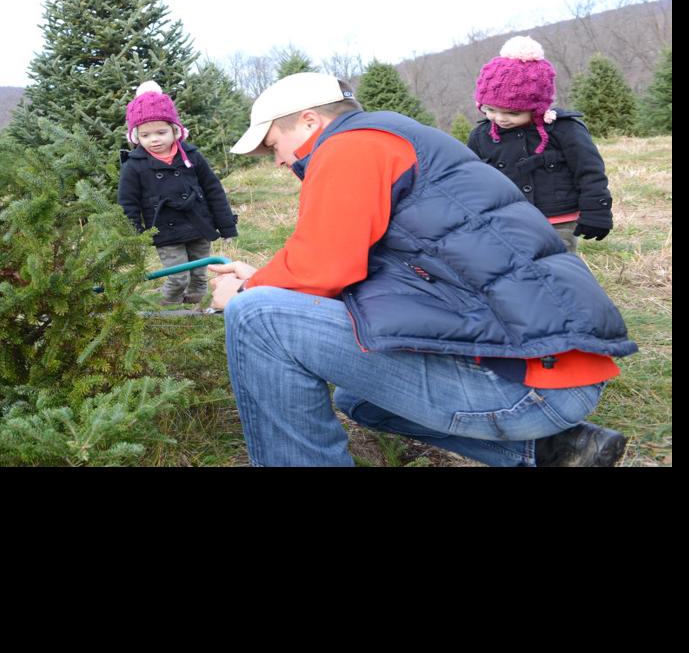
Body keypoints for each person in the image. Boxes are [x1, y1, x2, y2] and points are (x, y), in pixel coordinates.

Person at [208, 72, 637, 467]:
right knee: (359, 400)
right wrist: (264, 280)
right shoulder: (391, 138)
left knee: (257, 317)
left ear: (308, 121)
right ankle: (553, 450)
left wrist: (247, 292)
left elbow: (323, 268)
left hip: (530, 383)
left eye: (273, 145)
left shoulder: (350, 146)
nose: (277, 161)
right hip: (558, 367)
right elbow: (347, 264)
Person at [468, 36, 614, 253]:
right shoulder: (481, 136)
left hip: (558, 220)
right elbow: (471, 181)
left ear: (537, 108)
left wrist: (597, 211)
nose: (499, 118)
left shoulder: (565, 129)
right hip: (508, 220)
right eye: (489, 109)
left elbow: (589, 171)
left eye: (512, 113)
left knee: (557, 264)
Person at [117, 81, 238, 305]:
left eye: (161, 132)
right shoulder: (134, 165)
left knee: (200, 275)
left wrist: (227, 225)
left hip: (199, 225)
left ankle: (196, 309)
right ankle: (167, 309)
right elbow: (128, 203)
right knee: (178, 277)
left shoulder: (192, 156)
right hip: (165, 231)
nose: (154, 139)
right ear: (135, 137)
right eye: (145, 135)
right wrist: (135, 235)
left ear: (176, 130)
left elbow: (213, 190)